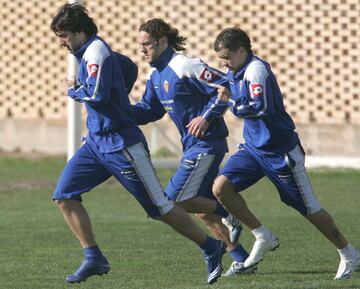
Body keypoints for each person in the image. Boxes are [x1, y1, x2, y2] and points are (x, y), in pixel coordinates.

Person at [50, 4, 226, 285]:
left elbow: (94, 94)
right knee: (64, 195)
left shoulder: (96, 52)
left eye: (64, 35)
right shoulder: (89, 53)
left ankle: (211, 246)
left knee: (160, 207)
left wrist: (71, 88)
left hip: (122, 145)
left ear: (81, 32)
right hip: (96, 143)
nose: (61, 42)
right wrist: (119, 96)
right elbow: (127, 67)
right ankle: (94, 257)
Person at [211, 27, 360, 280]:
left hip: (281, 154)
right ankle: (262, 235)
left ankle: (349, 253)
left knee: (309, 209)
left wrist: (231, 103)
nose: (224, 63)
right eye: (221, 59)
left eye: (227, 57)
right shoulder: (234, 70)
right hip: (253, 149)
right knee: (221, 188)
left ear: (242, 50)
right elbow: (224, 86)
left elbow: (260, 107)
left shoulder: (257, 71)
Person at [132, 18, 254, 278]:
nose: (142, 51)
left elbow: (226, 86)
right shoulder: (156, 77)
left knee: (173, 200)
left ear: (163, 41)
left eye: (147, 45)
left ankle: (227, 212)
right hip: (192, 147)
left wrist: (206, 117)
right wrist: (114, 112)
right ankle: (241, 259)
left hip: (207, 145)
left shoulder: (185, 65)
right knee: (200, 208)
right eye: (139, 45)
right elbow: (147, 111)